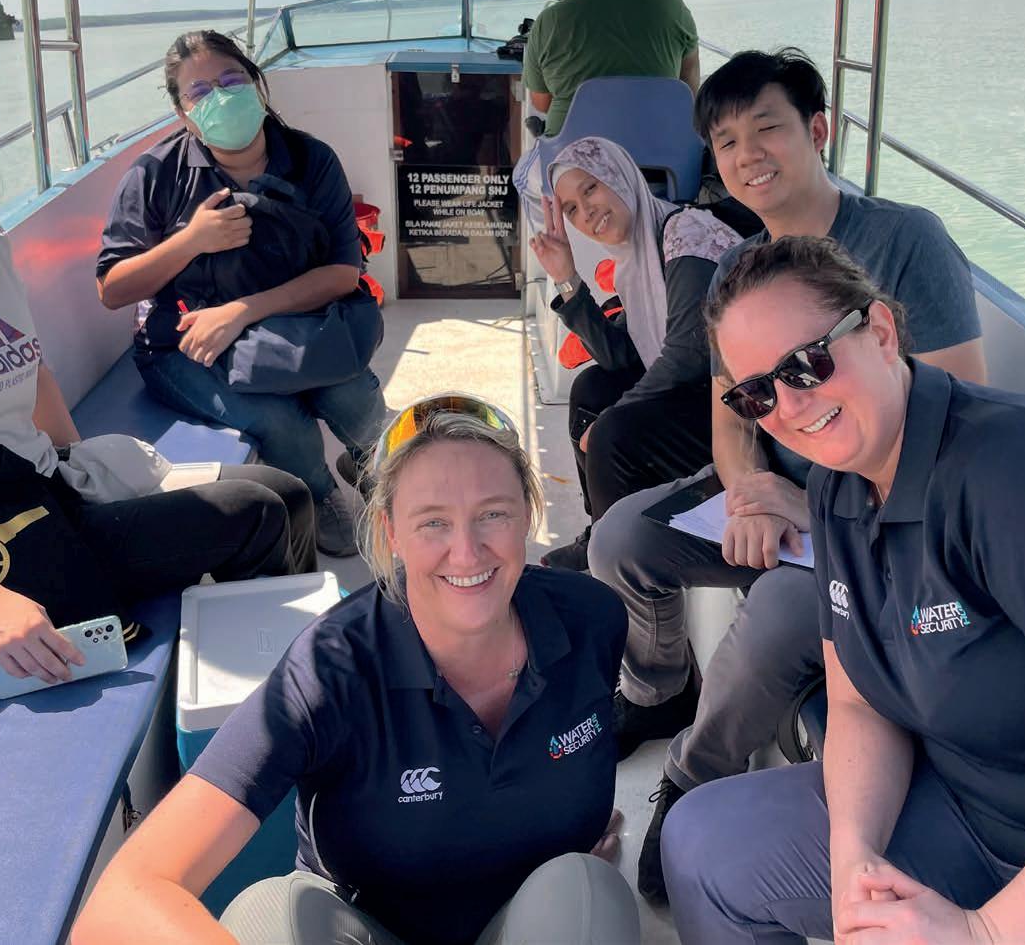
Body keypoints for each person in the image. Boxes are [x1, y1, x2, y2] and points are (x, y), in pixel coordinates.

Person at [586, 47, 988, 900]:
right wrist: (747, 492)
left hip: (886, 526)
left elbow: (961, 414)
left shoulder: (905, 240)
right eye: (725, 142)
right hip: (778, 499)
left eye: (766, 127)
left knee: (774, 610)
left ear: (819, 129)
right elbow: (731, 414)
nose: (746, 155)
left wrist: (811, 503)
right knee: (618, 538)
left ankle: (693, 777)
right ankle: (658, 687)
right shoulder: (740, 268)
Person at [0, 13, 315, 699]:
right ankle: (276, 704)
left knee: (286, 491)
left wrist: (75, 458)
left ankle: (286, 678)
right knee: (258, 512)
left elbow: (29, 367)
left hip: (39, 488)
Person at [73, 395, 641, 945]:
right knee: (268, 917)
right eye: (433, 522)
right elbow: (122, 899)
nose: (467, 552)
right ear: (392, 533)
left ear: (527, 515)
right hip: (369, 930)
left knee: (585, 890)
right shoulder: (329, 670)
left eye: (492, 513)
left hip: (521, 923)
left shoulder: (590, 619)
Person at [662, 236, 1025, 945]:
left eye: (805, 363)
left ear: (879, 330)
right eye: (757, 393)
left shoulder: (1013, 473)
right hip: (959, 806)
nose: (789, 404)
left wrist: (984, 932)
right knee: (699, 843)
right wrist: (854, 861)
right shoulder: (836, 490)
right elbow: (856, 700)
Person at [97, 30, 386, 557]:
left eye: (232, 80)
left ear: (257, 84)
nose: (221, 96)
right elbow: (112, 290)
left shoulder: (311, 159)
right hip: (187, 346)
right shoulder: (155, 175)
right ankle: (318, 492)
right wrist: (191, 241)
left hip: (292, 323)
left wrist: (241, 311)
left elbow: (343, 272)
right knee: (281, 422)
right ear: (182, 114)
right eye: (200, 92)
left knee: (355, 395)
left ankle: (372, 465)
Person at [530, 136, 740, 576]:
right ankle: (601, 533)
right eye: (571, 209)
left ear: (620, 175)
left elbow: (687, 355)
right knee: (592, 389)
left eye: (591, 188)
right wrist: (568, 278)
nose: (586, 212)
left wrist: (612, 419)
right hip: (697, 399)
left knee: (611, 429)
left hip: (740, 412)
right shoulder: (636, 256)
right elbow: (622, 358)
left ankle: (618, 569)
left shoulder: (685, 233)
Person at [512, 0, 701, 227]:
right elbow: (689, 84)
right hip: (666, 166)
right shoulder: (668, 2)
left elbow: (541, 102)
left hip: (576, 167)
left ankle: (560, 247)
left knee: (522, 176)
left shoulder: (551, 20)